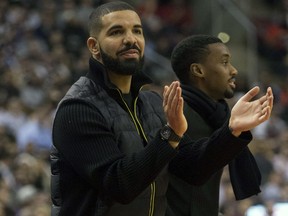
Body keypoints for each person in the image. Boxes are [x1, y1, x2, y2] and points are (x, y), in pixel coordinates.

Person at [50, 2, 273, 216]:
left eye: (137, 31)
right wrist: (170, 135)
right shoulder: (78, 108)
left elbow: (191, 170)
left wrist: (231, 130)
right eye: (116, 32)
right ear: (93, 46)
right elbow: (119, 185)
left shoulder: (151, 103)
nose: (130, 39)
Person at [166, 34, 273, 216]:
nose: (234, 70)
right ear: (198, 71)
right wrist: (232, 130)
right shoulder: (175, 112)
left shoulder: (219, 114)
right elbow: (193, 170)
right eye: (224, 62)